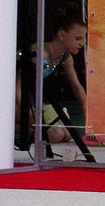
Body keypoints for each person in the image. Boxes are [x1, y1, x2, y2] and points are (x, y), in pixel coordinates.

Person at [37, 18, 96, 163]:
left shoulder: (66, 57)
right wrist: (31, 109)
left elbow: (76, 86)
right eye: (78, 38)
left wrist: (86, 108)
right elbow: (19, 83)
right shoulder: (41, 53)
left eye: (83, 39)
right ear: (61, 34)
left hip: (39, 99)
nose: (82, 43)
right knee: (56, 135)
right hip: (20, 99)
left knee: (67, 134)